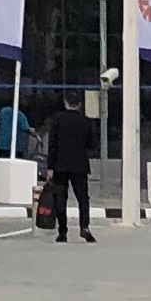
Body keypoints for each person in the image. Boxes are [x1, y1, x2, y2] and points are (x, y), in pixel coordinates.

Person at [40, 91, 100, 245]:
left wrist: (50, 166)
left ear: (65, 102)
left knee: (61, 198)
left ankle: (62, 232)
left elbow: (52, 145)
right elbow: (93, 145)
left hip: (60, 166)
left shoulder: (58, 120)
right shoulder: (86, 122)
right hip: (80, 166)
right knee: (83, 198)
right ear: (79, 104)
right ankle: (84, 227)